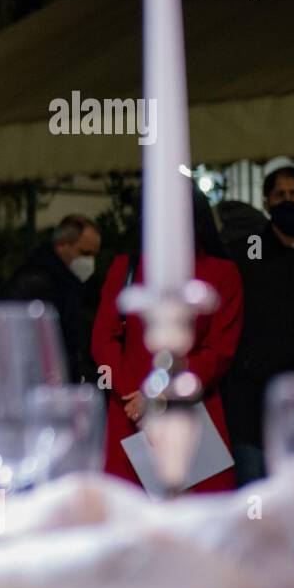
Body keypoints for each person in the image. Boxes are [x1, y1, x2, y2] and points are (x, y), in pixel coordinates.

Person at [91, 187, 243, 493]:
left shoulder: (222, 273)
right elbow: (103, 338)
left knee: (199, 525)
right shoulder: (126, 267)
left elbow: (220, 351)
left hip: (193, 408)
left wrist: (159, 393)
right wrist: (135, 393)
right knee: (130, 520)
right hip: (130, 411)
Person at [222, 165, 294, 485]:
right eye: (280, 195)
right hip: (254, 400)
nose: (288, 201)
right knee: (254, 496)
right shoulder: (246, 251)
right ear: (266, 202)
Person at [2, 214, 101, 382]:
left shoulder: (69, 282)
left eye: (93, 255)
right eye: (85, 253)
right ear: (62, 245)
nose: (90, 261)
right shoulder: (38, 283)